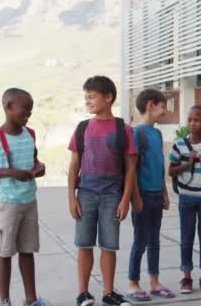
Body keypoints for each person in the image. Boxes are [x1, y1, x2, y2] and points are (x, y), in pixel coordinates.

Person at [0, 88, 49, 306]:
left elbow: (34, 160)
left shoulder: (30, 133)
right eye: (25, 109)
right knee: (5, 251)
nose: (29, 114)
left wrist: (40, 167)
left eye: (31, 110)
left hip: (29, 201)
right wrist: (10, 172)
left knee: (27, 251)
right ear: (8, 107)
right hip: (7, 202)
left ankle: (31, 300)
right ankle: (4, 300)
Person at [67, 76, 135, 306]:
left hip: (112, 196)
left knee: (109, 246)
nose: (88, 101)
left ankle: (108, 293)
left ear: (108, 97)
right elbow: (74, 165)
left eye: (92, 96)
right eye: (86, 97)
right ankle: (83, 293)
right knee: (84, 244)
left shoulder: (122, 129)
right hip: (85, 194)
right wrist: (71, 198)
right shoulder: (83, 128)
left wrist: (125, 200)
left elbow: (130, 168)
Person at [126, 88, 175, 302]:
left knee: (154, 240)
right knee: (140, 240)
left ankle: (154, 282)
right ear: (150, 105)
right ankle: (133, 283)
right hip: (142, 195)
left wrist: (165, 191)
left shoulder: (157, 133)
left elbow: (159, 166)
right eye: (162, 106)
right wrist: (135, 197)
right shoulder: (137, 134)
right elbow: (131, 169)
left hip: (156, 194)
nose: (164, 112)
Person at [169, 105, 201, 294]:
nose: (192, 123)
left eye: (197, 120)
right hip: (186, 197)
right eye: (190, 119)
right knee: (186, 237)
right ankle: (187, 277)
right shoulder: (179, 144)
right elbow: (170, 171)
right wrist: (187, 164)